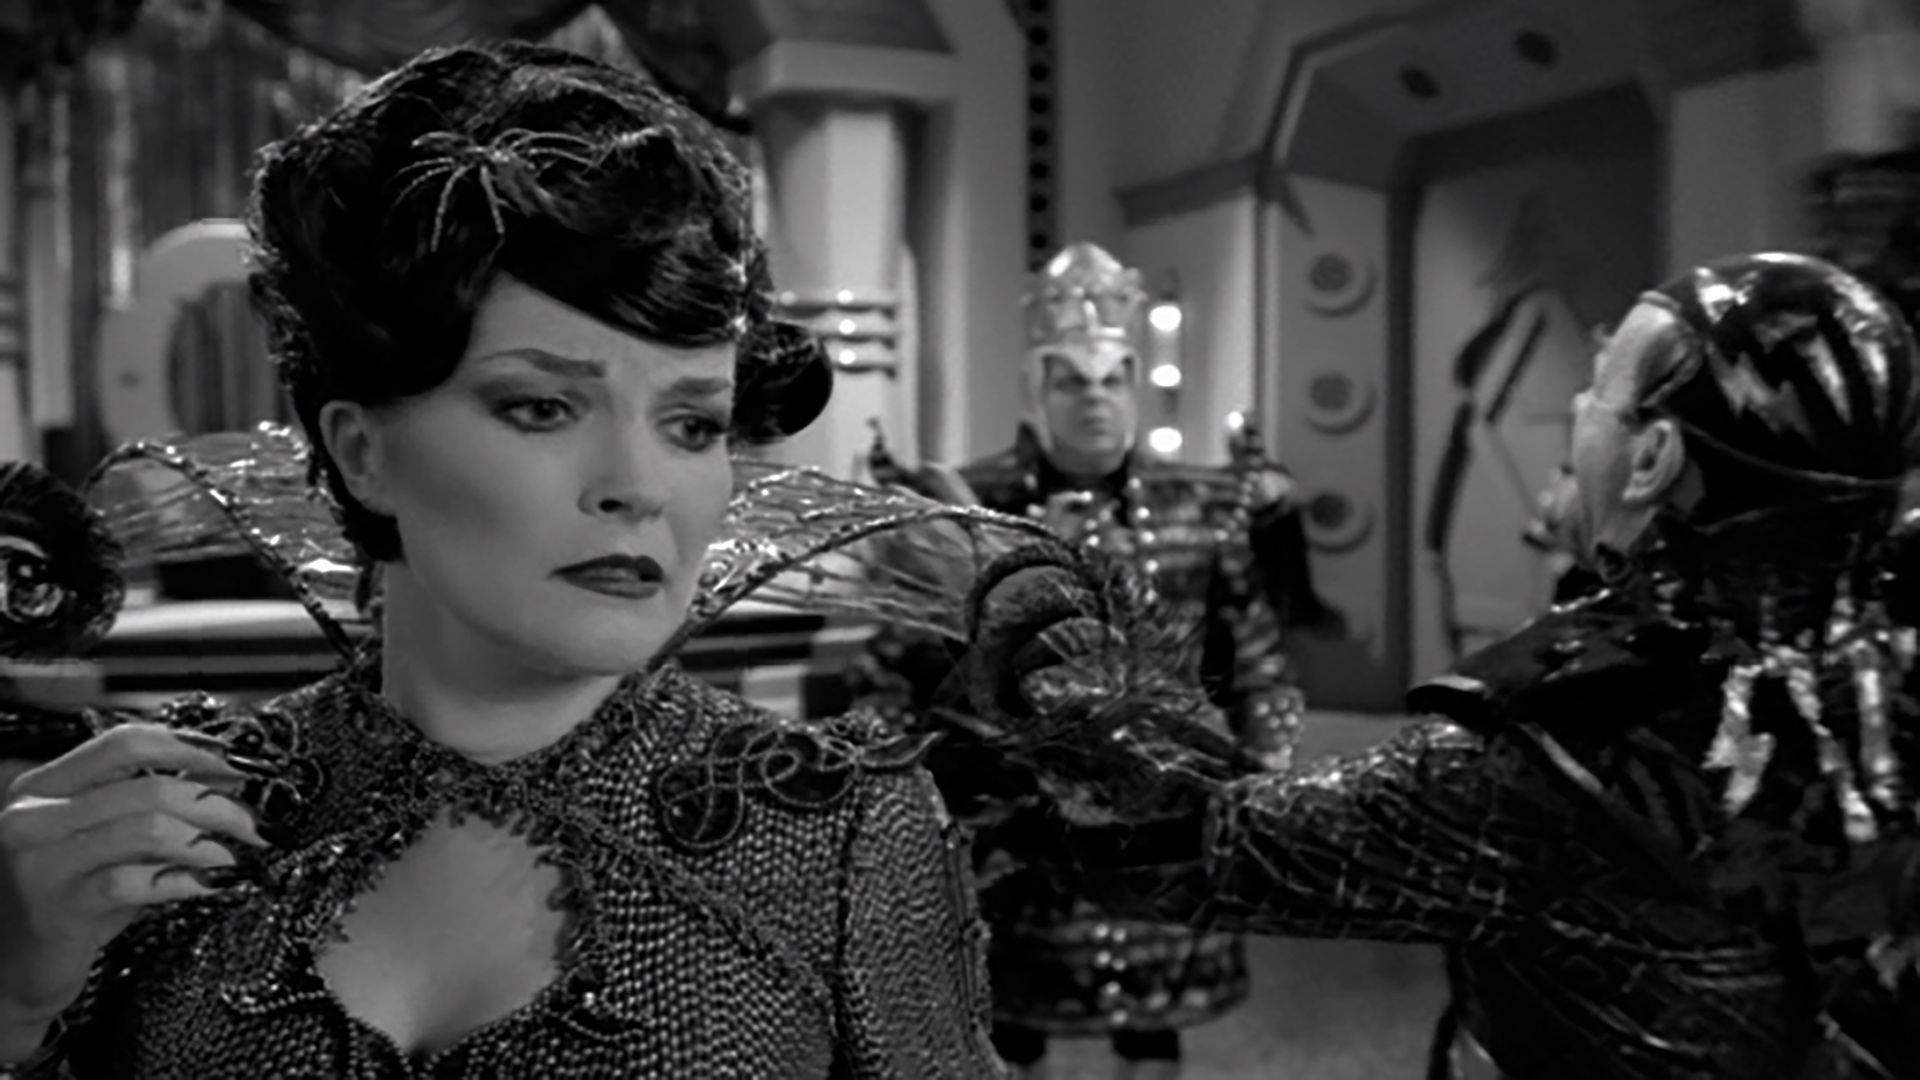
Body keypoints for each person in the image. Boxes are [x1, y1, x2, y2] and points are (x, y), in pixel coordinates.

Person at [0, 42, 1013, 1078]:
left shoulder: (836, 835)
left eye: (693, 425)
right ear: (363, 452)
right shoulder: (172, 819)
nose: (637, 485)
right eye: (542, 407)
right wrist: (15, 1002)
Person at [963, 253, 1920, 1079]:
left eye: (1596, 387)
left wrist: (1018, 663)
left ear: (1653, 458)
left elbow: (1200, 847)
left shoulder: (1553, 747)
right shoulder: (1897, 662)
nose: (1576, 409)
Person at [853, 242, 1319, 1079]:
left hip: (1163, 801)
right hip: (1009, 816)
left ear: (1136, 384)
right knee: (1007, 1030)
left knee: (1152, 1035)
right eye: (1071, 380)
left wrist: (1268, 771)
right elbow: (895, 663)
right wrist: (898, 788)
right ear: (1037, 388)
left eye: (1112, 379)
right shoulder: (969, 505)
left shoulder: (1204, 506)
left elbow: (1255, 655)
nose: (1095, 398)